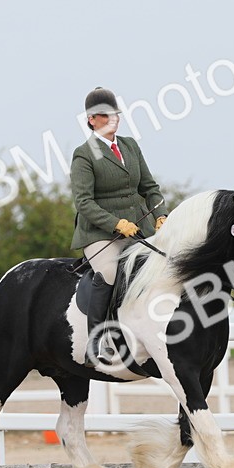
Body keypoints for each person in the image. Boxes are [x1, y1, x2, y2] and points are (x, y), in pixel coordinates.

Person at [70, 86, 167, 364]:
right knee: (111, 274)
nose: (112, 119)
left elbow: (150, 187)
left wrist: (160, 214)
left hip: (140, 228)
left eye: (115, 114)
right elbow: (84, 203)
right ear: (91, 120)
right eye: (105, 115)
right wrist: (116, 224)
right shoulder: (84, 154)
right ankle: (97, 342)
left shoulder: (130, 146)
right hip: (100, 234)